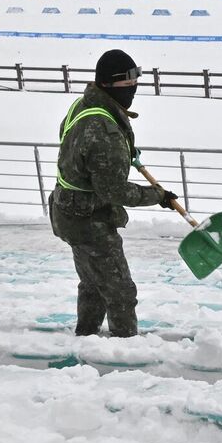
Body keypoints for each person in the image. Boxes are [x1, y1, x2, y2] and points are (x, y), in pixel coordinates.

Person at [48, 49, 175, 340]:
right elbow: (115, 191)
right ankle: (125, 348)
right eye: (128, 83)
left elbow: (79, 148)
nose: (133, 88)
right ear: (110, 84)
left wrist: (120, 155)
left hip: (67, 210)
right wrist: (158, 195)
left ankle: (86, 337)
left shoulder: (85, 106)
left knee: (92, 283)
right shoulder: (104, 130)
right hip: (88, 220)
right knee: (120, 291)